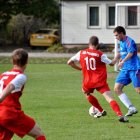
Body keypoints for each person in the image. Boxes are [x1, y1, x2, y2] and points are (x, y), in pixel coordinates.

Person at [67, 36, 128, 122]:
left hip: (88, 81)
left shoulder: (81, 53)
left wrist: (79, 68)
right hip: (99, 80)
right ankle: (120, 115)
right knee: (109, 98)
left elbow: (69, 62)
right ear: (97, 44)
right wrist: (117, 57)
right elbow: (111, 63)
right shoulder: (100, 54)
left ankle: (101, 110)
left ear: (89, 43)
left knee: (87, 94)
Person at [0, 48, 46, 140]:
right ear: (26, 61)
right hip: (10, 113)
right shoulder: (20, 76)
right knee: (39, 134)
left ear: (12, 61)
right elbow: (10, 87)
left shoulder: (3, 74)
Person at [113, 26, 140, 117]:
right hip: (125, 70)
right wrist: (116, 59)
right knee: (117, 89)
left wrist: (123, 61)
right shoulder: (121, 42)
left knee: (138, 90)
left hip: (134, 69)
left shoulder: (130, 41)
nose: (116, 38)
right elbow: (122, 53)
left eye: (116, 35)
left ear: (121, 33)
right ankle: (131, 108)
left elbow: (131, 53)